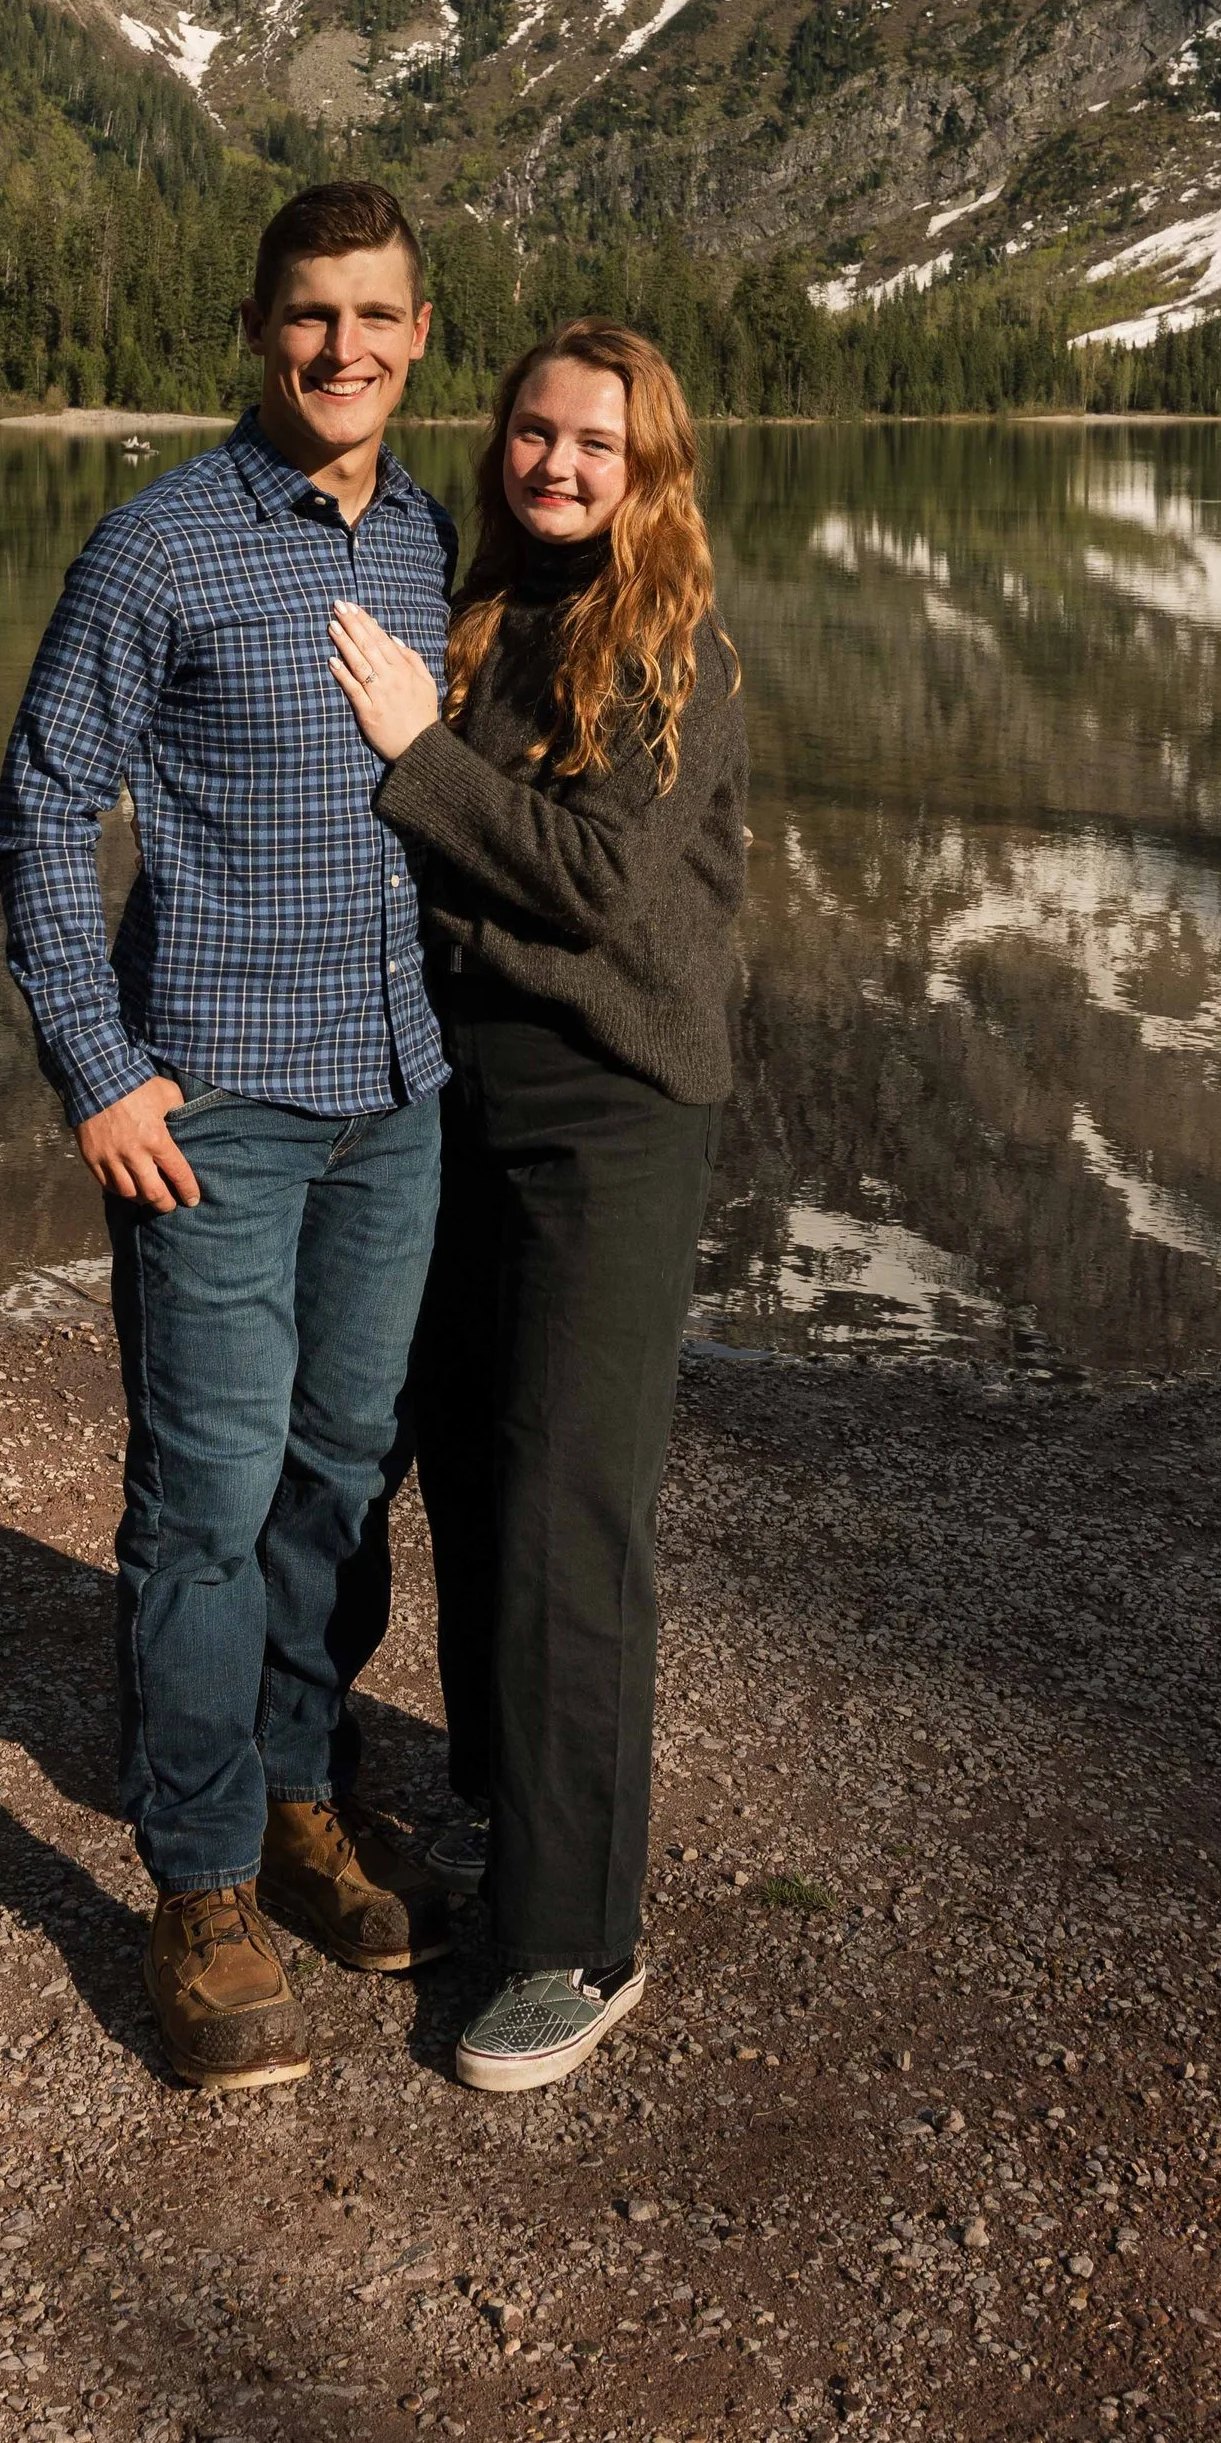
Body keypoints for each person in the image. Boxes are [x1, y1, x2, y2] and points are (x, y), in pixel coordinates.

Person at [0, 180, 457, 2092]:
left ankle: (292, 1786)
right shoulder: (158, 544)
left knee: (343, 1473)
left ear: (422, 332)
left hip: (399, 1099)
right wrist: (98, 1067)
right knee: (206, 1488)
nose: (343, 349)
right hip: (216, 1112)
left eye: (377, 317)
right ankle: (194, 1878)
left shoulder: (431, 539)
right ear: (261, 330)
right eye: (309, 317)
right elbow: (38, 812)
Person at [326, 318, 746, 2094]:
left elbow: (589, 879)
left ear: (651, 470)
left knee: (572, 1507)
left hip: (611, 1116)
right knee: (481, 1469)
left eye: (599, 442)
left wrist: (419, 756)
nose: (558, 462)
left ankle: (583, 1939)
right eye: (533, 432)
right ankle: (511, 1813)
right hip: (472, 1096)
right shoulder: (498, 616)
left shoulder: (672, 648)